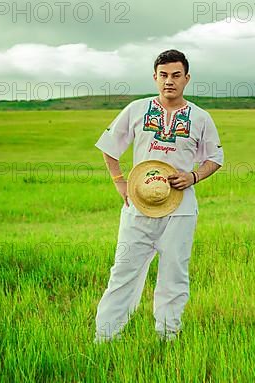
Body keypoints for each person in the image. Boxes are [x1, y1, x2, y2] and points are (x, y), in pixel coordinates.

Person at [94, 49, 224, 342]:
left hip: (181, 208)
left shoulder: (200, 117)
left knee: (174, 275)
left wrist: (193, 176)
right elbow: (109, 145)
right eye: (163, 75)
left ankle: (168, 338)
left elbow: (215, 157)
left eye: (176, 75)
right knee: (123, 272)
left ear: (187, 79)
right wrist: (119, 181)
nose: (169, 81)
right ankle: (105, 338)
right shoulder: (137, 109)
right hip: (138, 207)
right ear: (155, 77)